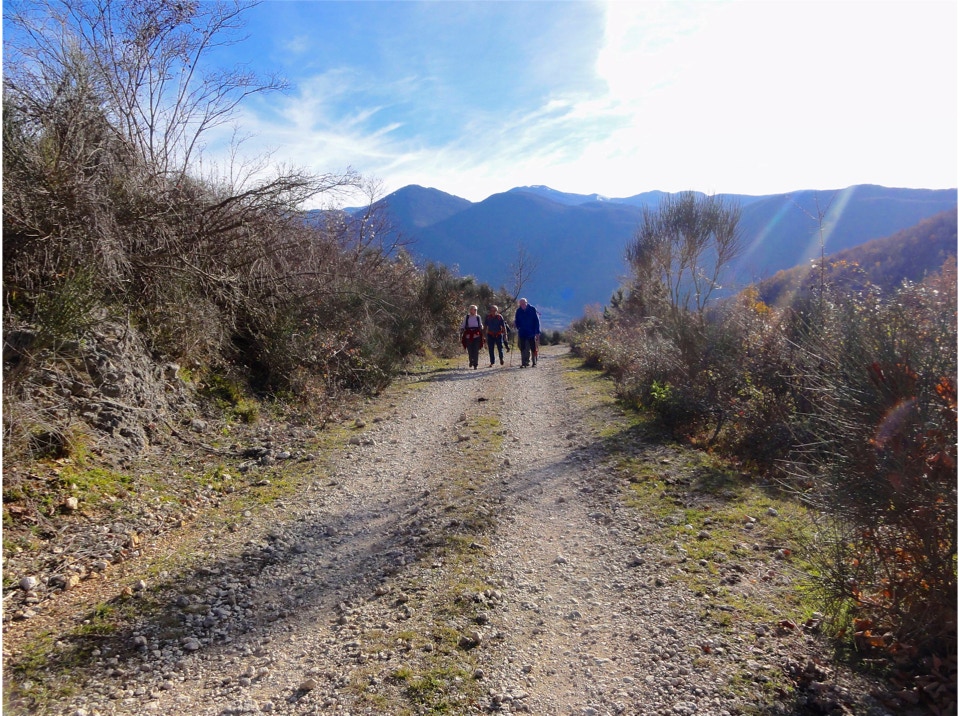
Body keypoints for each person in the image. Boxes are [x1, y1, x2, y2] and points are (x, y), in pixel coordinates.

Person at [513, 297, 541, 368]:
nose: (522, 305)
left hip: (531, 332)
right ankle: (524, 363)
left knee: (533, 347)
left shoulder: (532, 309)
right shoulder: (518, 311)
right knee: (522, 347)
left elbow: (536, 321)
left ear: (526, 303)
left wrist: (537, 332)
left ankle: (534, 362)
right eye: (521, 304)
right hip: (522, 332)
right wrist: (516, 324)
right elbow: (517, 320)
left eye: (523, 304)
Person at [459, 305, 484, 369]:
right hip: (468, 335)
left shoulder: (478, 317)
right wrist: (462, 329)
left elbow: (480, 324)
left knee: (476, 350)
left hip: (476, 336)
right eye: (474, 309)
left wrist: (481, 327)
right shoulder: (467, 317)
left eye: (476, 309)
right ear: (470, 310)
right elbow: (463, 325)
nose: (475, 311)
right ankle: (471, 361)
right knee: (470, 350)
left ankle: (475, 364)